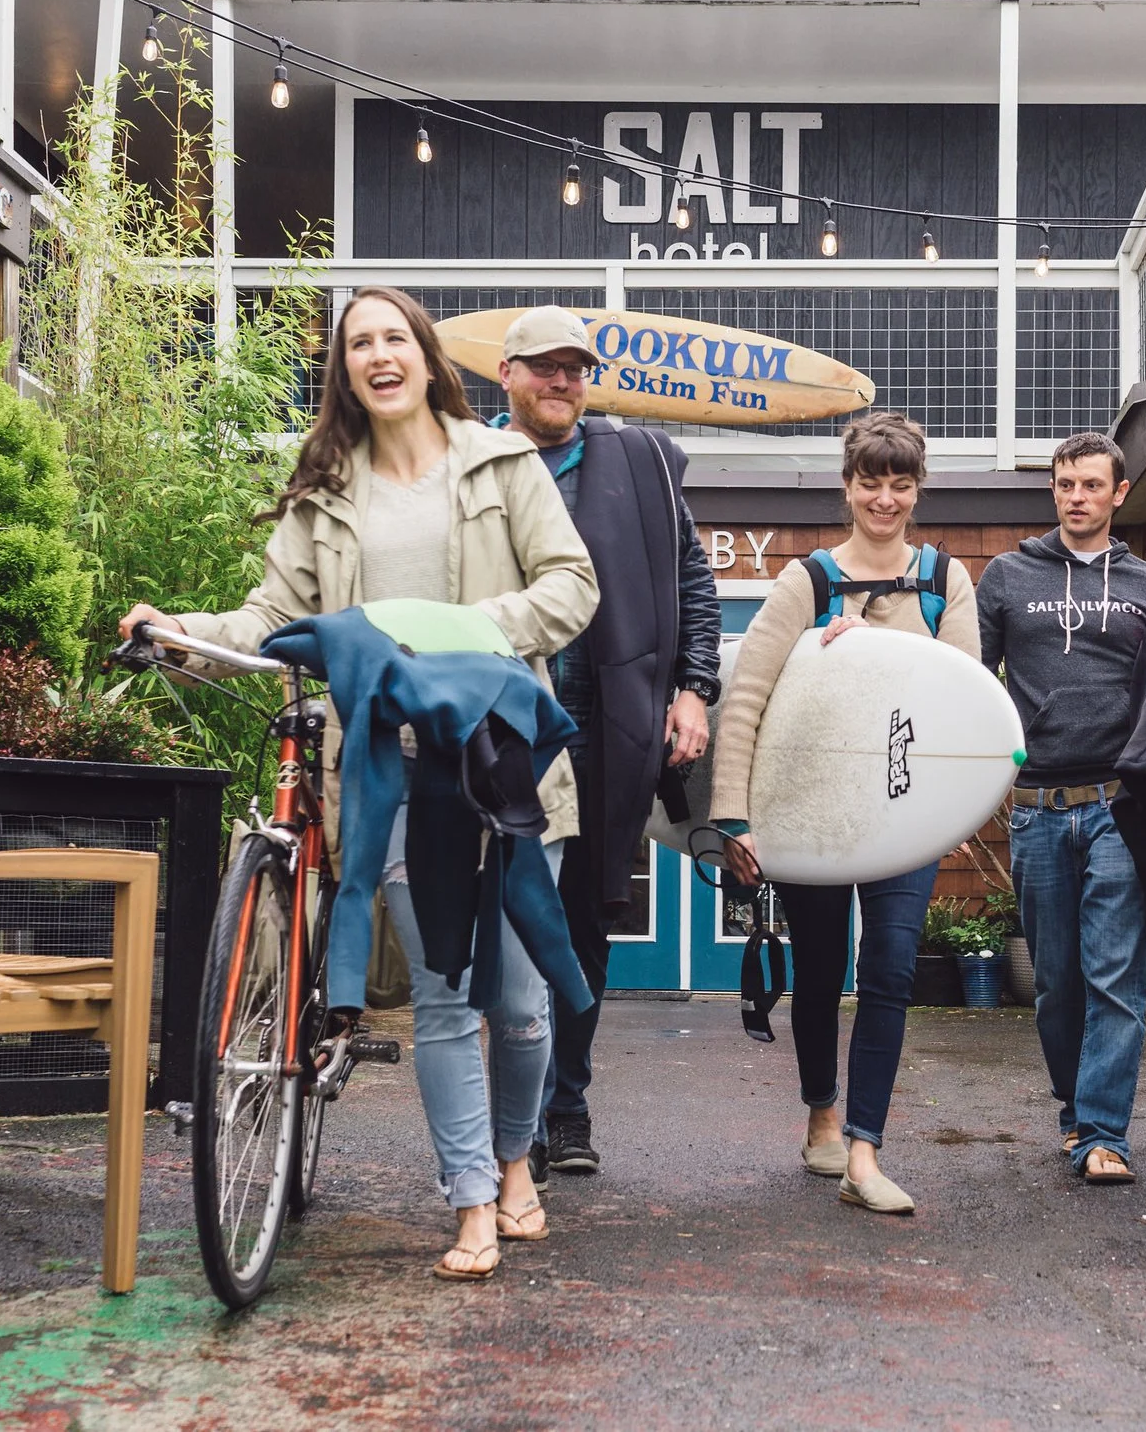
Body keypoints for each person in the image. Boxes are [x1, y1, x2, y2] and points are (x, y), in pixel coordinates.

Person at [119, 285, 598, 1282]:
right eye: (357, 344)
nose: (377, 355)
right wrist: (178, 636)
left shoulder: (502, 465)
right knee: (440, 995)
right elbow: (268, 618)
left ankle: (517, 1160)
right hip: (388, 773)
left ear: (426, 357)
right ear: (344, 371)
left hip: (500, 758)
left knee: (516, 1001)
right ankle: (469, 1199)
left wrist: (459, 639)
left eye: (393, 337)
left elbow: (571, 586)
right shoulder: (324, 491)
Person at [708, 410, 980, 1216]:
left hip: (905, 816)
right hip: (816, 812)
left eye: (900, 482)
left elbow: (965, 695)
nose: (885, 498)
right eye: (871, 481)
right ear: (848, 485)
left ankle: (866, 1150)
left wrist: (873, 649)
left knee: (890, 970)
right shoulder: (809, 580)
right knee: (822, 971)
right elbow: (747, 698)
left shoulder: (943, 580)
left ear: (917, 487)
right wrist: (732, 817)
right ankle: (822, 1111)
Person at [490, 306, 721, 1182]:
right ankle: (517, 1117)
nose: (561, 381)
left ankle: (568, 1106)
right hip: (503, 722)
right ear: (505, 374)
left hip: (608, 725)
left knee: (583, 922)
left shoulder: (640, 463)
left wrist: (694, 687)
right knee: (509, 922)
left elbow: (693, 581)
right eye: (543, 367)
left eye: (574, 368)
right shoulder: (478, 464)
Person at [976, 431, 1146, 1185]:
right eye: (1065, 483)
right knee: (1056, 980)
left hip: (1122, 807)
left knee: (1114, 974)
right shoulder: (1006, 575)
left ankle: (1104, 1133)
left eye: (1092, 484)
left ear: (1119, 493)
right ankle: (1074, 1110)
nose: (1077, 496)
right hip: (1036, 804)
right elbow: (970, 677)